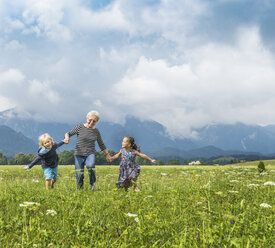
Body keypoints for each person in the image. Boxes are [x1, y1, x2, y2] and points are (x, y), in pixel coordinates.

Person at [64, 110, 111, 190]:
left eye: (94, 121)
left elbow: (101, 144)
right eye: (90, 119)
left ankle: (92, 184)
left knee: (90, 166)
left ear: (96, 122)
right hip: (79, 154)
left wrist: (107, 154)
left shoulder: (96, 131)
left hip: (90, 153)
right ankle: (80, 188)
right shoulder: (79, 127)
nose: (91, 122)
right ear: (87, 118)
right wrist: (67, 138)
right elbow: (68, 133)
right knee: (79, 173)